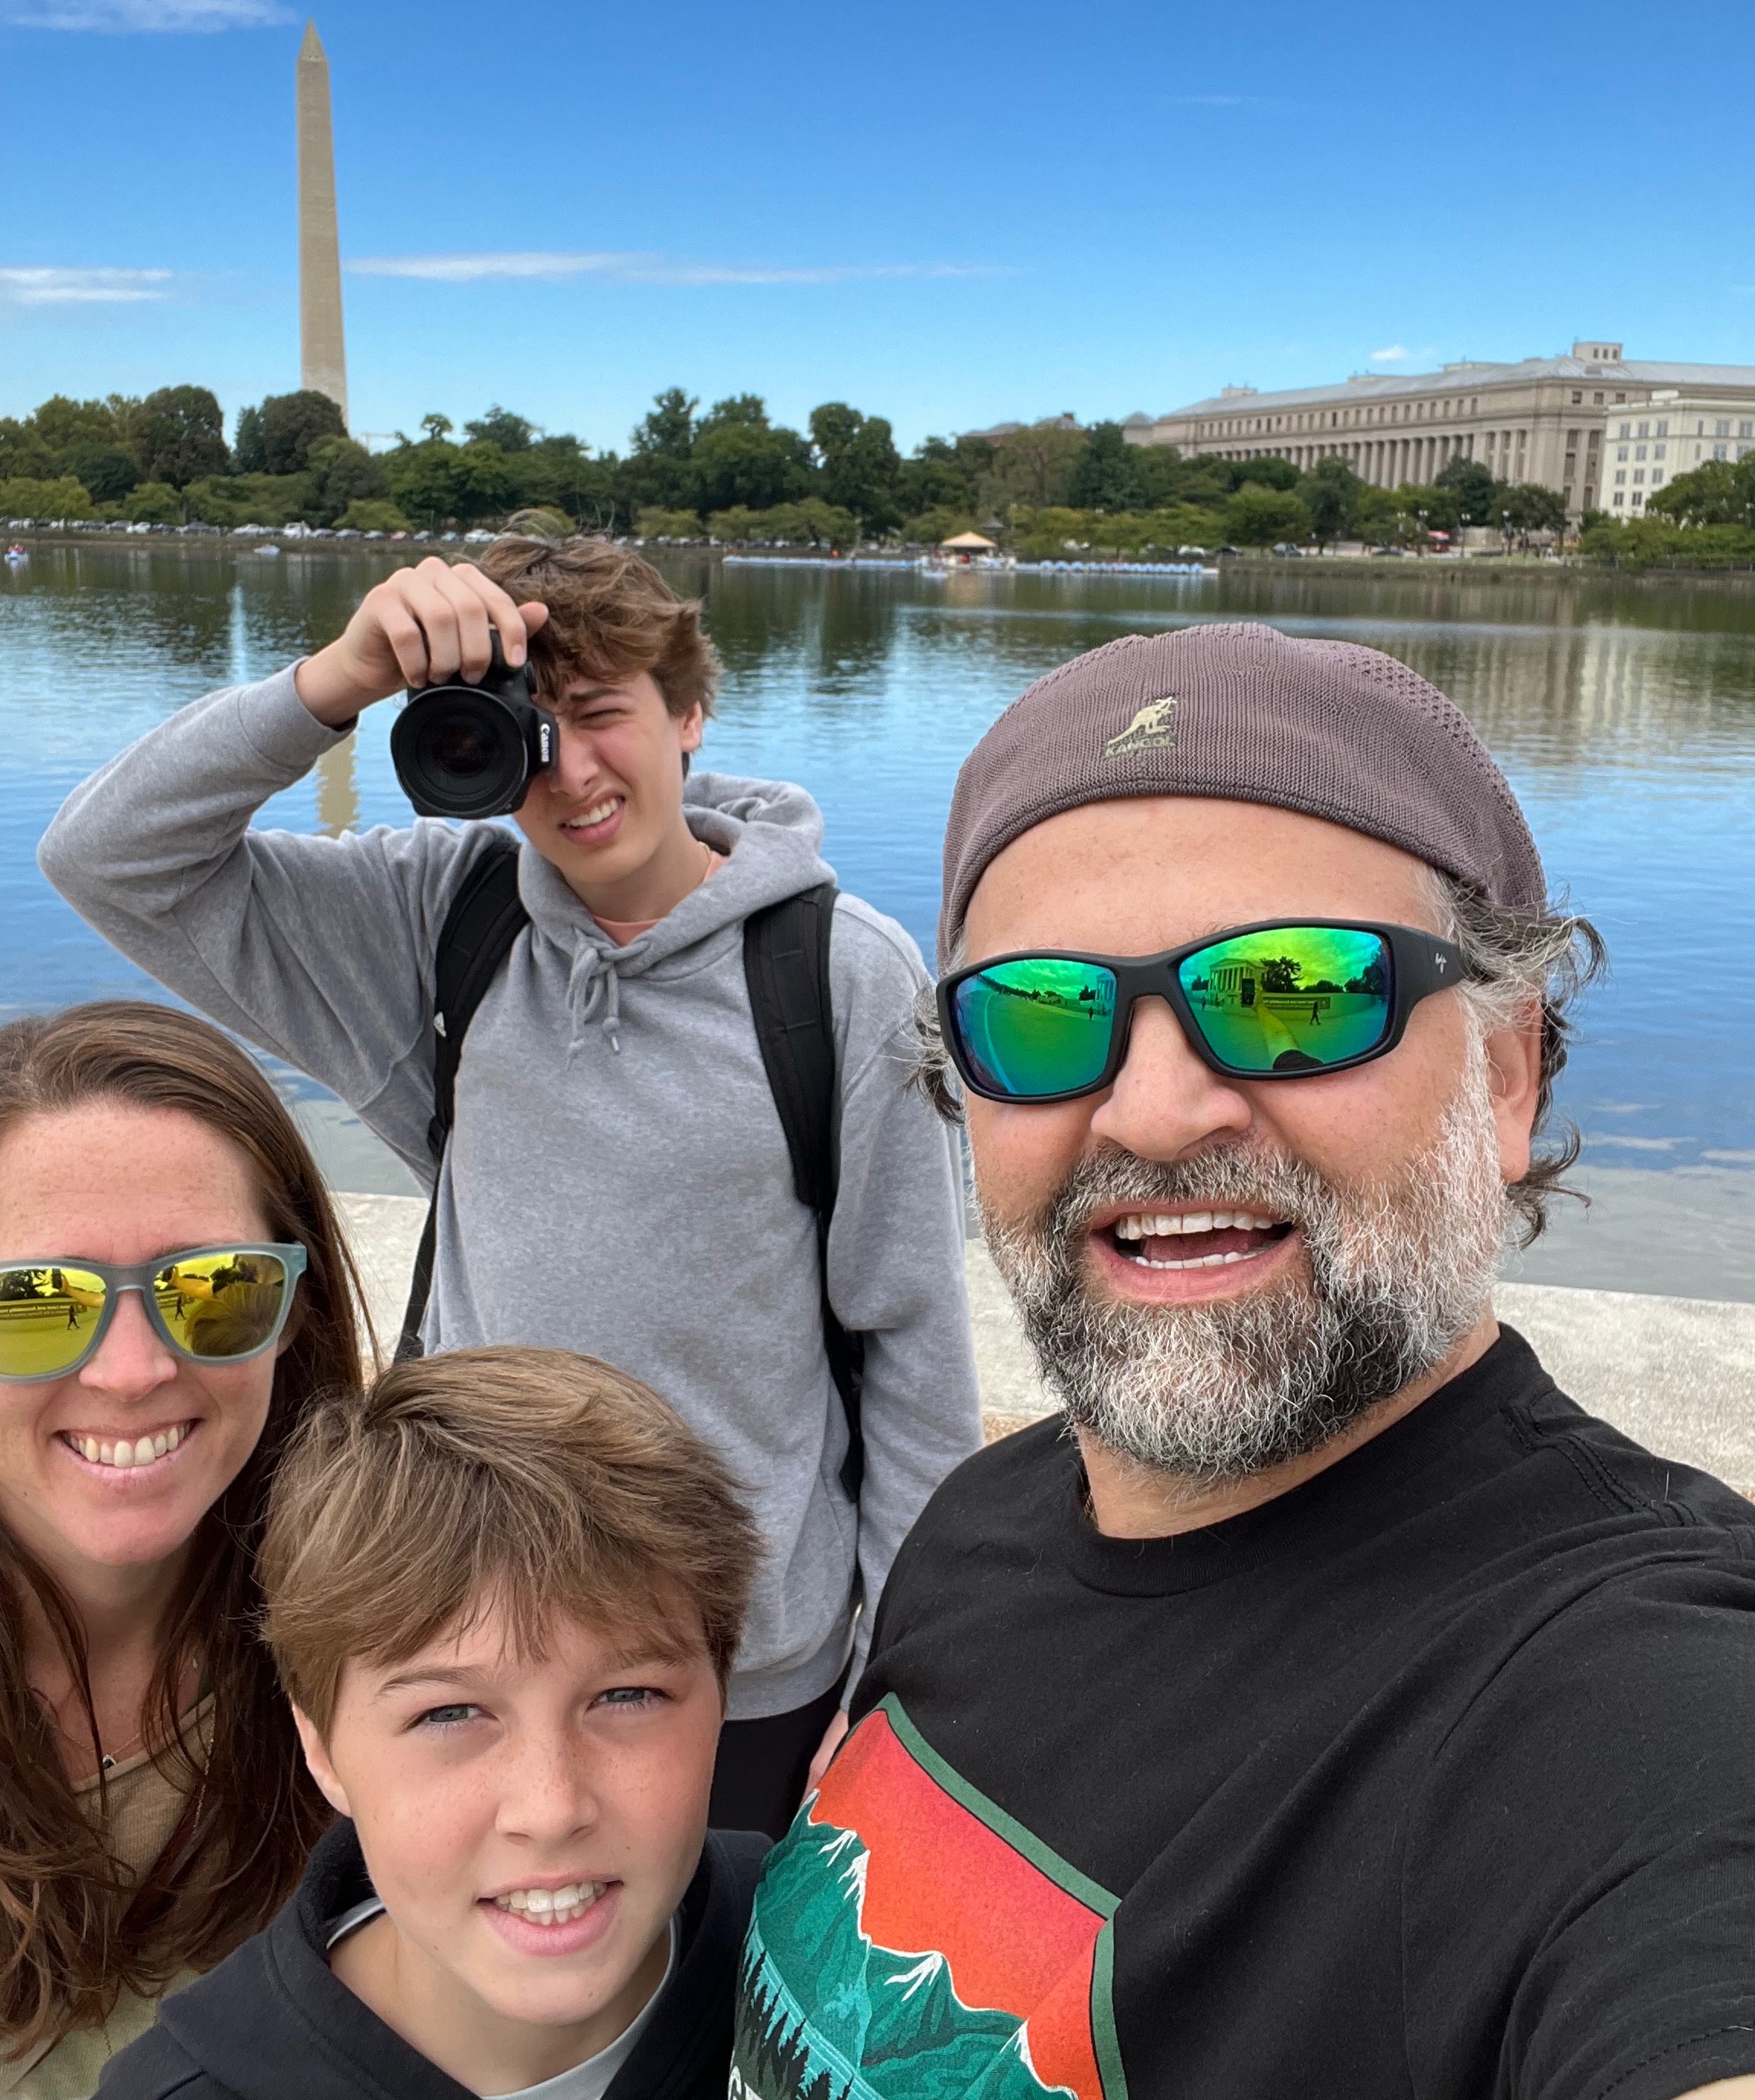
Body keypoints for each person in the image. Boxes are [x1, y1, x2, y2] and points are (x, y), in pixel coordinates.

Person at [733, 622, 1755, 2100]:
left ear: (1507, 1067)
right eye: (1041, 1013)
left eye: (1292, 991)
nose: (1153, 1112)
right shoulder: (981, 1520)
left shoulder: (1626, 1700)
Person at [39, 540, 981, 1839]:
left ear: (688, 712)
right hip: (462, 1623)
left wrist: (896, 1675)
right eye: (527, 733)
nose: (572, 771)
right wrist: (337, 679)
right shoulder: (442, 921)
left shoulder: (839, 973)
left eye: (601, 713)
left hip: (744, 1660)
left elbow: (915, 1346)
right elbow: (109, 858)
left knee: (722, 1962)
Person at [100, 1345, 768, 2100]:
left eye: (626, 1696)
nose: (550, 1809)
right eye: (449, 1713)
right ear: (320, 1747)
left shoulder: (839, 1959)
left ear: (722, 1691)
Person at [0, 1001, 365, 2097]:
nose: (130, 1371)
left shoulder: (379, 1641)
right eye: (35, 1301)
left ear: (294, 1310)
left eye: (213, 1288)